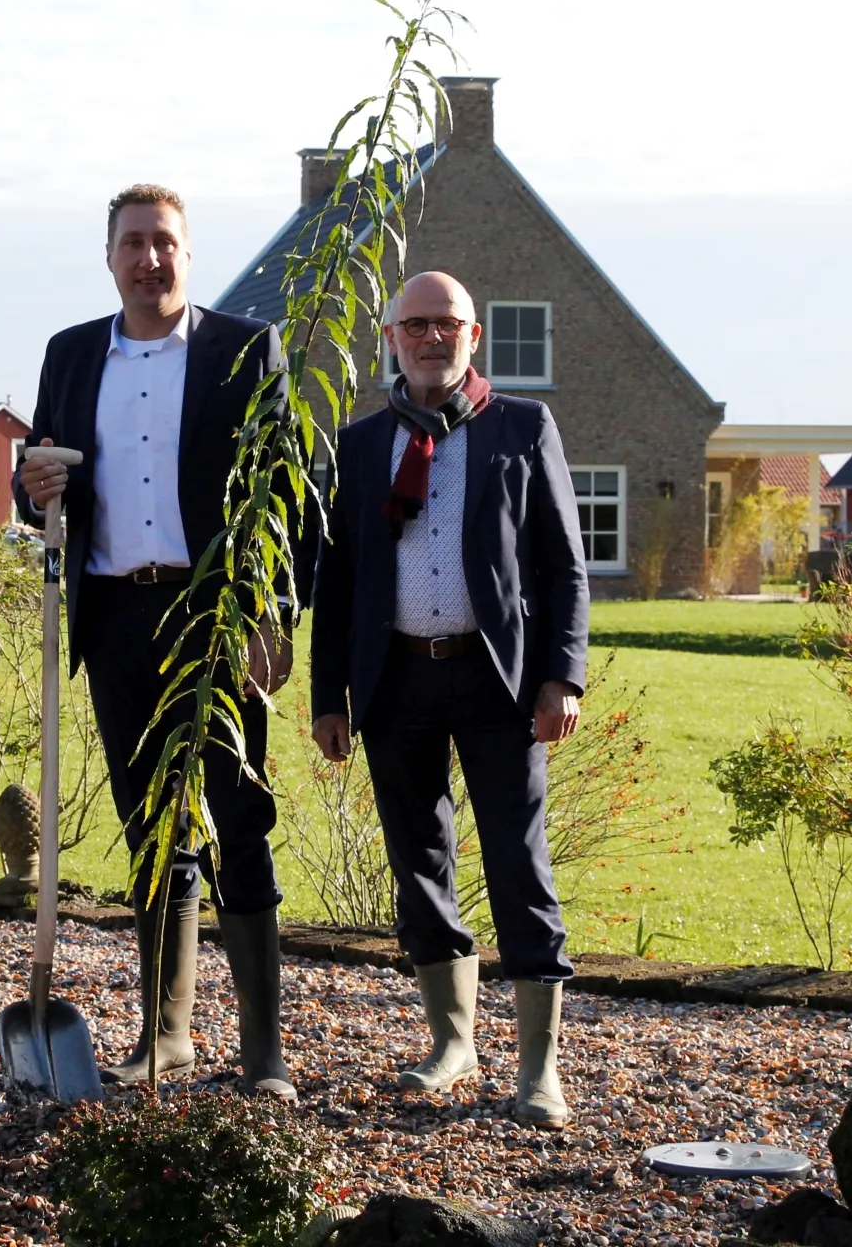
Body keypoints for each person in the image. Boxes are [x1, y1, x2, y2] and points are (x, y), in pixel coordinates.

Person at [16, 184, 307, 1099]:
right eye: (133, 244)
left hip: (215, 614)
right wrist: (35, 489)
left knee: (238, 819)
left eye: (165, 243)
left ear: (188, 253)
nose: (150, 259)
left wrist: (271, 611)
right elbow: (42, 480)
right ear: (110, 258)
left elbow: (287, 487)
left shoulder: (244, 349)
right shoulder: (70, 354)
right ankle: (165, 1033)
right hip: (114, 616)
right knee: (151, 823)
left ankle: (262, 1050)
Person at [310, 271, 590, 1129]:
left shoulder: (521, 427)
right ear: (391, 337)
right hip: (395, 680)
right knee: (418, 863)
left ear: (474, 336)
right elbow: (339, 577)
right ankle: (453, 1041)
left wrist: (562, 677)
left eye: (448, 324)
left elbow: (564, 565)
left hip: (497, 680)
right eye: (414, 324)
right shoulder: (359, 448)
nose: (432, 338)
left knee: (518, 862)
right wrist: (330, 698)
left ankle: (539, 1069)